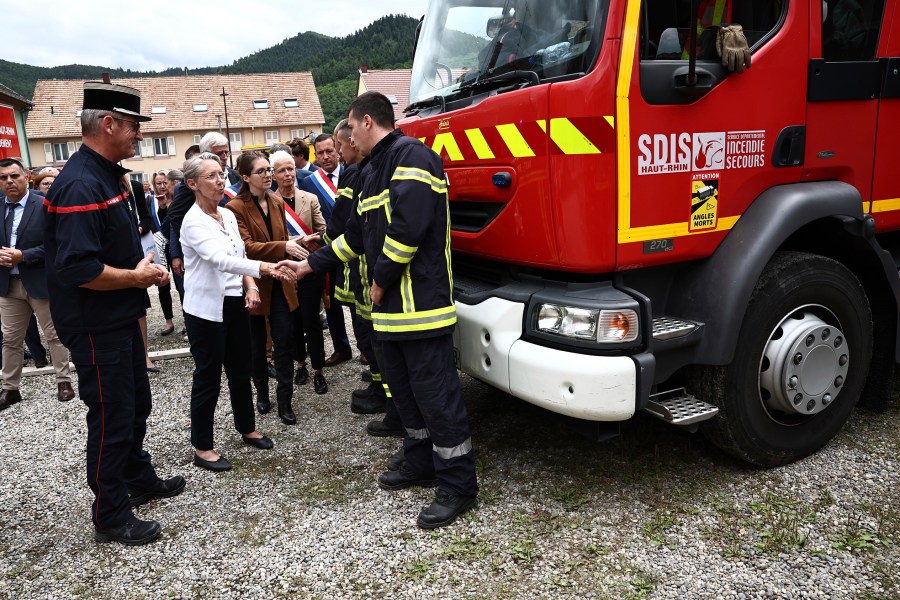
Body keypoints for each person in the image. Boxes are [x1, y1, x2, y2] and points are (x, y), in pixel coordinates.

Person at [279, 92, 478, 529]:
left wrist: (381, 280)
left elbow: (408, 230)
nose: (347, 136)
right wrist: (308, 265)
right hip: (389, 314)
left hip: (420, 309)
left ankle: (459, 485)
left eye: (350, 127)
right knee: (406, 398)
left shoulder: (414, 158)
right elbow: (353, 237)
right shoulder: (370, 171)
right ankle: (421, 460)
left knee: (437, 399)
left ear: (367, 122)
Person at [44, 80, 184, 546]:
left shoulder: (109, 173)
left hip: (118, 315)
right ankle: (110, 513)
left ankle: (136, 478)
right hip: (94, 322)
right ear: (108, 124)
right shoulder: (82, 182)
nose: (139, 136)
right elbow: (77, 266)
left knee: (135, 403)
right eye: (133, 127)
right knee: (111, 413)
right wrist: (135, 278)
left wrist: (141, 272)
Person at [180, 152, 291, 471]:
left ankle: (247, 427)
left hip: (234, 303)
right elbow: (220, 260)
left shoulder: (226, 214)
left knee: (241, 369)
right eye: (211, 176)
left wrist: (252, 286)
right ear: (193, 184)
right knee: (208, 377)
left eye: (220, 174)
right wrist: (265, 268)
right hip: (205, 310)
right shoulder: (193, 221)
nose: (219, 181)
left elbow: (238, 252)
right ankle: (202, 447)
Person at [224, 151, 306, 425]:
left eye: (269, 170)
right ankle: (261, 392)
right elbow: (246, 248)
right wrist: (284, 247)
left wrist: (291, 251)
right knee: (257, 345)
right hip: (254, 284)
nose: (269, 175)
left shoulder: (276, 200)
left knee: (284, 341)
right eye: (262, 171)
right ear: (246, 178)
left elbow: (283, 238)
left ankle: (285, 401)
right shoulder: (235, 208)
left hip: (280, 281)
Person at [0, 158, 74, 408]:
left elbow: (56, 245)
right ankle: (10, 389)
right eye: (3, 178)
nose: (9, 181)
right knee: (11, 339)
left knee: (54, 334)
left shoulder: (43, 204)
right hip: (8, 286)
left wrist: (24, 255)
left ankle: (64, 381)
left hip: (41, 282)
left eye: (14, 176)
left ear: (26, 176)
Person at [269, 151, 329, 395]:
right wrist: (301, 239)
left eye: (291, 169)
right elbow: (273, 239)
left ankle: (318, 370)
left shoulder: (310, 198)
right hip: (285, 270)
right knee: (293, 321)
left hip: (309, 268)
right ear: (273, 174)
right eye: (282, 170)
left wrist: (306, 240)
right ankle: (300, 364)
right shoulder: (269, 202)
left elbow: (322, 229)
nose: (288, 174)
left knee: (311, 320)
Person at [300, 133, 353, 367]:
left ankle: (366, 347)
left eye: (329, 151)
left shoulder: (353, 172)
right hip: (329, 250)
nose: (325, 156)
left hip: (354, 247)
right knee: (332, 302)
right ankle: (342, 347)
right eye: (319, 153)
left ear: (337, 149)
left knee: (358, 299)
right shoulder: (310, 181)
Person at [150, 170, 176, 336]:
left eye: (165, 182)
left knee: (182, 284)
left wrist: (166, 206)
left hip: (175, 246)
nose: (162, 186)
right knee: (163, 285)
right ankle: (169, 321)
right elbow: (149, 221)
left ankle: (188, 319)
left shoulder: (177, 198)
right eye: (158, 183)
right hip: (159, 248)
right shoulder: (150, 201)